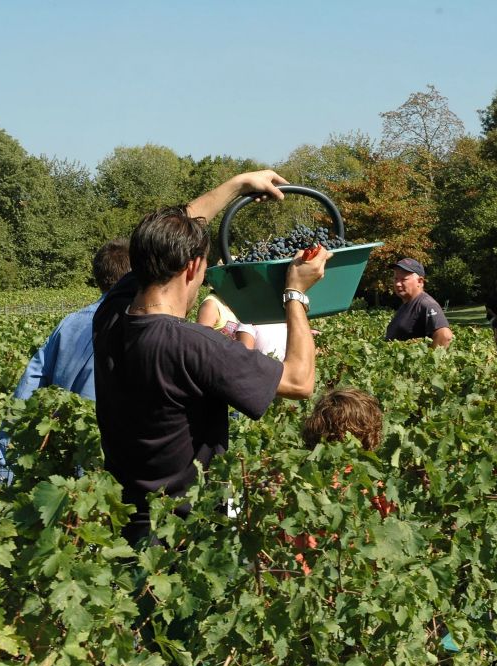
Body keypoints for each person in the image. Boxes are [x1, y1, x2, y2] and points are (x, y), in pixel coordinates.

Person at [92, 169, 331, 545]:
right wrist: (295, 293)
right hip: (190, 530)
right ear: (191, 269)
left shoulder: (110, 314)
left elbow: (177, 226)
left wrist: (239, 184)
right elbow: (300, 381)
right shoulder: (192, 344)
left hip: (129, 518)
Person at [0, 239, 132, 489]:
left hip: (59, 456)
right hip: (106, 464)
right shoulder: (137, 325)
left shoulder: (69, 322)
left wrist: (3, 463)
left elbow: (26, 390)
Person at [384, 258, 453, 348]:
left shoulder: (426, 304)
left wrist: (428, 360)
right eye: (396, 279)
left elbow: (444, 336)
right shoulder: (406, 304)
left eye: (403, 279)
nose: (397, 284)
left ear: (420, 281)